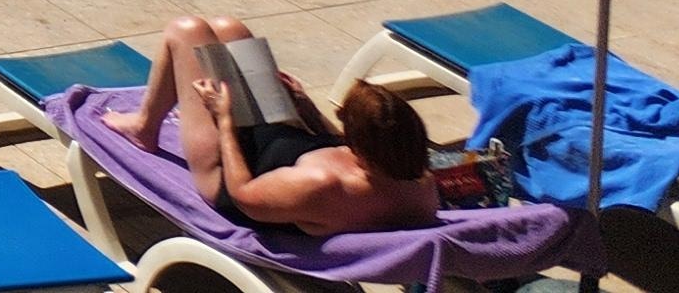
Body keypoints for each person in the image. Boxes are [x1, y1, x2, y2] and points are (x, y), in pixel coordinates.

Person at [104, 17, 438, 239]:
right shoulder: (414, 177)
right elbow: (339, 145)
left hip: (227, 167)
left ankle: (144, 127)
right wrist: (305, 106)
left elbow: (244, 195)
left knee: (186, 30)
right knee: (230, 30)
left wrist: (223, 120)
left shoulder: (322, 185)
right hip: (280, 138)